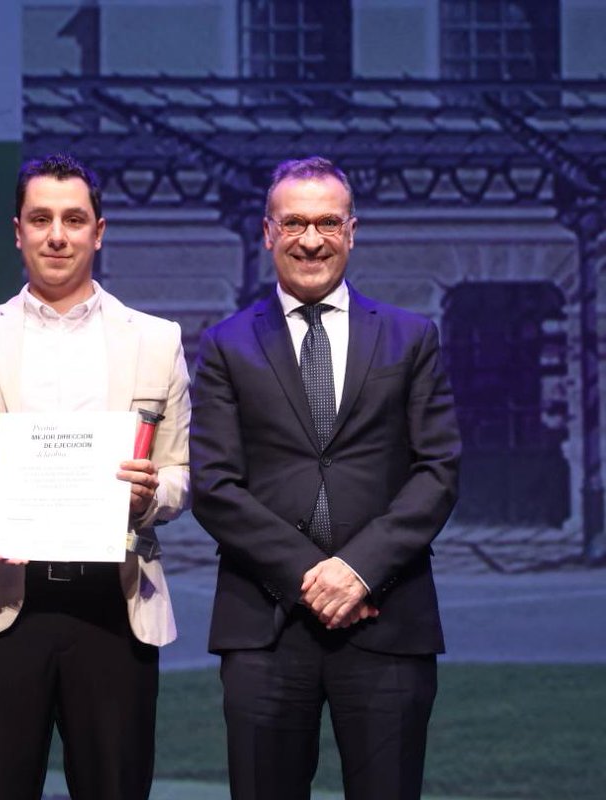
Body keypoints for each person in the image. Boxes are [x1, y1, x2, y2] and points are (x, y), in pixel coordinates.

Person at [190, 155, 461, 800]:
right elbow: (214, 484)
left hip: (387, 617)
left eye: (328, 223)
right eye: (295, 223)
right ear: (266, 232)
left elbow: (438, 469)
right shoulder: (225, 344)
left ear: (352, 230)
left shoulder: (410, 336)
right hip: (265, 625)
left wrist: (360, 569)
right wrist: (314, 578)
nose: (311, 240)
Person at [0, 153, 190, 800]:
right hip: (1, 604)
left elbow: (181, 473)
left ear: (99, 231)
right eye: (40, 219)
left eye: (74, 219)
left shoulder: (156, 339)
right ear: (17, 230)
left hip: (114, 606)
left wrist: (150, 495)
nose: (57, 235)